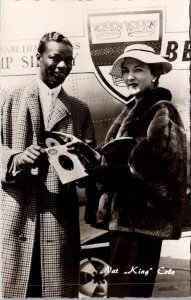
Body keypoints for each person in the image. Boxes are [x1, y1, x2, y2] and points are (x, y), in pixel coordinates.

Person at [59, 44, 187, 297]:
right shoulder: (134, 108)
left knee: (126, 294)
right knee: (122, 293)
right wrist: (85, 152)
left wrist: (106, 174)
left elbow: (164, 169)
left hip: (142, 224)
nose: (130, 77)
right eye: (126, 71)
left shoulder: (162, 110)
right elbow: (116, 158)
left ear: (154, 75)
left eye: (138, 70)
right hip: (127, 223)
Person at [1, 31, 96, 298]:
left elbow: (89, 172)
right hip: (16, 219)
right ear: (38, 58)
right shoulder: (7, 99)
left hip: (59, 221)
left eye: (69, 60)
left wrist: (83, 161)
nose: (63, 66)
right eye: (55, 58)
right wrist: (15, 159)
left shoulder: (79, 109)